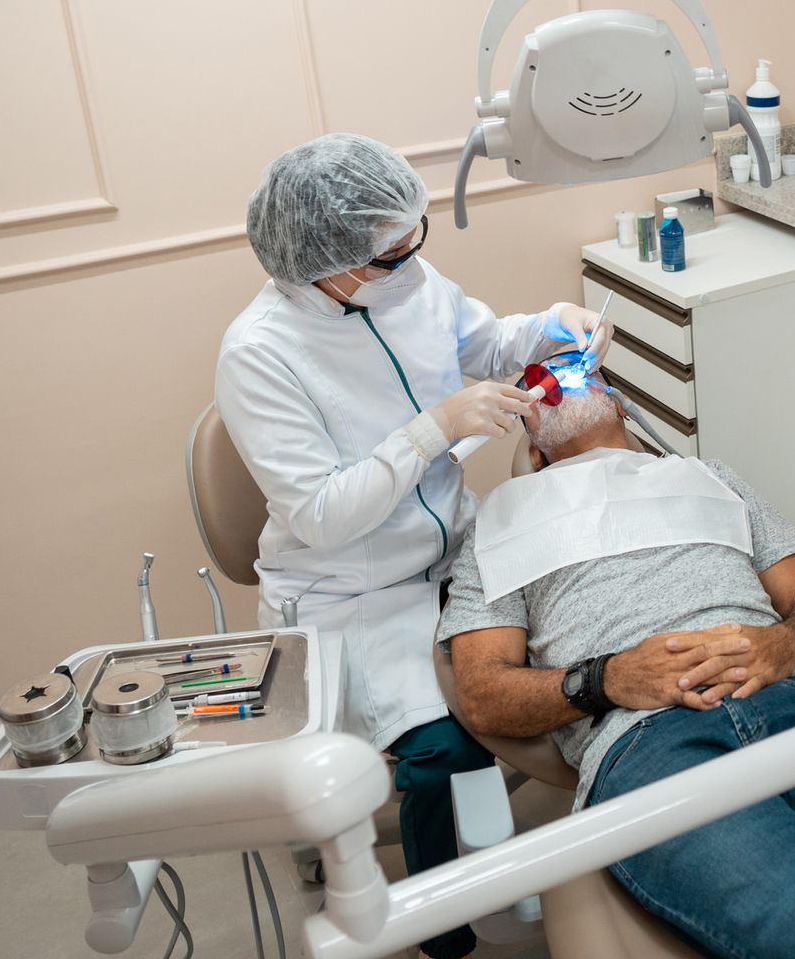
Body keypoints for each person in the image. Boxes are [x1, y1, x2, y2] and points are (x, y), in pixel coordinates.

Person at [439, 379, 795, 959]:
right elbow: (484, 693)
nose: (557, 375)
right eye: (540, 378)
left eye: (576, 365)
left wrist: (786, 644)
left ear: (618, 403)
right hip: (649, 743)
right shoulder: (498, 523)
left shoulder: (708, 477)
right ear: (533, 446)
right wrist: (607, 678)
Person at [217, 133, 611, 959]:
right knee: (439, 750)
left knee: (583, 656)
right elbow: (322, 514)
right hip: (350, 588)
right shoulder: (260, 354)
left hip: (454, 550)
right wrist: (432, 431)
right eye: (390, 256)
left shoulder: (405, 278)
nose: (411, 263)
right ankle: (442, 929)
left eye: (411, 244)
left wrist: (548, 325)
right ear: (319, 260)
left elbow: (482, 345)